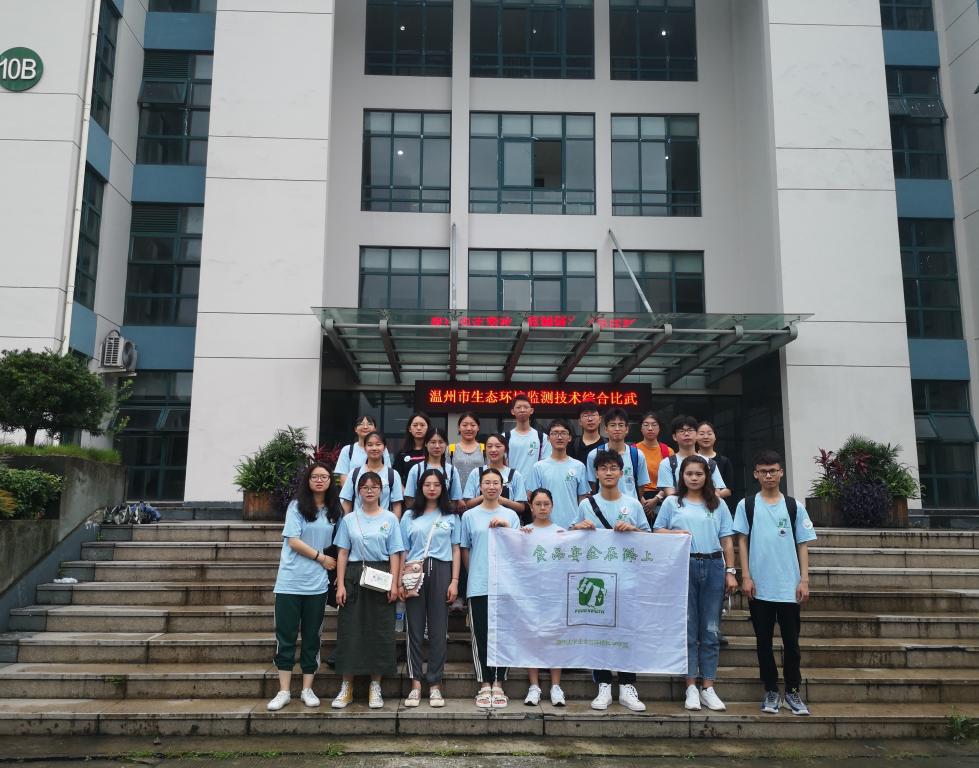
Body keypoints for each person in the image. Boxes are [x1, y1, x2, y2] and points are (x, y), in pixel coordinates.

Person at [569, 450, 675, 712]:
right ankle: (603, 684)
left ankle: (627, 685)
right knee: (599, 632)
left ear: (621, 472)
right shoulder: (586, 505)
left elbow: (648, 541)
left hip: (627, 579)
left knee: (628, 630)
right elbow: (571, 538)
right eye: (603, 468)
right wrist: (577, 528)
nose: (608, 472)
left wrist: (634, 530)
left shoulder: (633, 504)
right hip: (597, 579)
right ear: (596, 473)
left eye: (613, 468)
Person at [734, 450, 816, 717]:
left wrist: (804, 579)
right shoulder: (747, 505)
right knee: (763, 642)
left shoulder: (794, 506)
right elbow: (741, 541)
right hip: (760, 586)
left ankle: (792, 691)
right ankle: (770, 689)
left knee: (792, 643)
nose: (768, 475)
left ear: (781, 473)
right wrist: (746, 576)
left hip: (789, 586)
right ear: (755, 474)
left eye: (773, 471)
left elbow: (803, 544)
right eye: (763, 471)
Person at [654, 456, 738, 712]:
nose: (693, 478)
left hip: (713, 566)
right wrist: (675, 533)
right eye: (689, 473)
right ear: (682, 476)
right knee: (689, 628)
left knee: (711, 629)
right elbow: (657, 530)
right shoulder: (672, 502)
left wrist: (731, 571)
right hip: (683, 566)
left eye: (698, 474)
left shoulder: (718, 504)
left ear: (706, 477)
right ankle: (690, 685)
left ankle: (708, 686)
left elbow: (727, 540)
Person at [267, 462, 339, 711]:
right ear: (308, 480)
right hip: (290, 582)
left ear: (330, 481)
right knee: (285, 637)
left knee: (312, 638)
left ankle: (307, 688)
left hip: (317, 585)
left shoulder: (334, 511)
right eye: (315, 476)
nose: (319, 480)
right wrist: (320, 557)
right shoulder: (296, 506)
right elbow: (294, 541)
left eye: (324, 477)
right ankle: (284, 691)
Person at [331, 471, 405, 709]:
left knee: (380, 630)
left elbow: (395, 552)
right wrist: (340, 583)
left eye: (374, 486)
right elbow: (342, 552)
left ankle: (375, 685)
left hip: (381, 575)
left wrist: (394, 583)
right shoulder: (349, 519)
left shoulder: (390, 518)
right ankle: (347, 686)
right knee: (350, 629)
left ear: (381, 490)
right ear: (358, 491)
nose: (370, 490)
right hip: (354, 575)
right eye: (365, 487)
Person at [399, 469, 461, 708]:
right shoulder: (409, 516)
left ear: (443, 488)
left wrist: (454, 580)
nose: (432, 488)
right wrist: (400, 580)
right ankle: (415, 684)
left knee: (438, 629)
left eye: (437, 484)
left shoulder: (451, 516)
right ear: (420, 487)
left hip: (442, 570)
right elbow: (403, 550)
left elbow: (455, 549)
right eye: (427, 484)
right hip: (414, 572)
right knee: (414, 628)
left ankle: (435, 684)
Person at [460, 468, 522, 708]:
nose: (492, 487)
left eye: (496, 483)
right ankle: (484, 682)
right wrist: (474, 572)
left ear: (502, 486)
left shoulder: (511, 515)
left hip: (505, 584)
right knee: (481, 634)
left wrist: (506, 528)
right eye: (487, 482)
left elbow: (519, 548)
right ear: (480, 486)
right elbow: (465, 549)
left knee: (503, 634)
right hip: (478, 582)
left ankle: (499, 682)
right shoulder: (469, 516)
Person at [520, 487, 566, 707]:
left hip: (554, 593)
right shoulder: (524, 532)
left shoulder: (561, 533)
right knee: (532, 637)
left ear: (552, 506)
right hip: (530, 594)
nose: (542, 508)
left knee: (555, 638)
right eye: (538, 504)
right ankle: (534, 686)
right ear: (531, 507)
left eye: (546, 504)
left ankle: (556, 686)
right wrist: (518, 537)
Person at [528, 418, 591, 529]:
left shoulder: (579, 466)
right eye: (555, 433)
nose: (559, 437)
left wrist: (579, 523)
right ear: (548, 438)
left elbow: (583, 499)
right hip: (546, 527)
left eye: (563, 433)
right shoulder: (538, 467)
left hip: (573, 527)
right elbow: (532, 499)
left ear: (569, 438)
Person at [585, 408, 650, 500]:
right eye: (613, 425)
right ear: (606, 429)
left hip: (629, 507)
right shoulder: (594, 455)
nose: (617, 429)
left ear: (627, 429)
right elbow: (592, 484)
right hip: (603, 506)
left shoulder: (637, 455)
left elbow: (641, 485)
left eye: (621, 425)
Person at [656, 415, 727, 498]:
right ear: (674, 437)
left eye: (690, 430)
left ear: (696, 434)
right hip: (678, 505)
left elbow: (716, 493)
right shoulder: (667, 463)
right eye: (681, 431)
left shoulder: (710, 463)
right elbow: (670, 495)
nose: (686, 434)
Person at [461, 433, 528, 519]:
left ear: (505, 449)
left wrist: (502, 500)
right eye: (489, 446)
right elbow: (467, 504)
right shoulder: (476, 473)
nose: (493, 450)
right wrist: (485, 496)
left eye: (498, 446)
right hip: (479, 520)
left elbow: (521, 507)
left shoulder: (515, 475)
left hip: (506, 522)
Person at [339, 431, 404, 518]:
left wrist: (394, 524)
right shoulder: (354, 474)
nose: (374, 448)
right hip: (357, 523)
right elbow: (347, 502)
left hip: (383, 524)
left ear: (384, 447)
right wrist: (345, 524)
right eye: (370, 445)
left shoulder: (393, 475)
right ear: (365, 448)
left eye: (378, 444)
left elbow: (396, 505)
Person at [403, 426, 464, 509]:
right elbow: (409, 498)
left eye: (441, 442)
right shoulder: (416, 469)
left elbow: (455, 500)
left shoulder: (452, 470)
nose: (437, 446)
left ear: (446, 444)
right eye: (433, 442)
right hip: (420, 515)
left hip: (444, 515)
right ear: (426, 444)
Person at [503, 394, 552, 480]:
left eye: (526, 407)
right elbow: (501, 464)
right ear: (512, 411)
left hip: (535, 486)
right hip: (510, 484)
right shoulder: (504, 437)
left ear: (531, 410)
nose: (522, 410)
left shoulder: (543, 438)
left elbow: (546, 466)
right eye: (518, 407)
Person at [635, 411, 674, 518]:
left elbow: (671, 479)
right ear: (641, 428)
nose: (650, 428)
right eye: (646, 425)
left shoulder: (668, 451)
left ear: (659, 428)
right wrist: (641, 499)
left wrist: (656, 499)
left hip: (662, 496)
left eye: (654, 425)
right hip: (638, 496)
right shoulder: (633, 450)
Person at [336, 415, 392, 487]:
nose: (365, 427)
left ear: (375, 429)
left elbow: (387, 474)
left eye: (369, 424)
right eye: (361, 424)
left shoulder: (381, 449)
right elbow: (343, 478)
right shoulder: (347, 450)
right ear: (355, 429)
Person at [696, 421, 735, 498]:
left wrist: (711, 497)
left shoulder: (724, 461)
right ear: (695, 437)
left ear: (715, 437)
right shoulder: (691, 460)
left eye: (709, 433)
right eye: (701, 434)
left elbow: (729, 489)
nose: (706, 437)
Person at [449, 412, 486, 492]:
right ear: (459, 427)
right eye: (465, 425)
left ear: (478, 427)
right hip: (455, 496)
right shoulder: (450, 449)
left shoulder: (485, 449)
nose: (469, 428)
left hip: (479, 495)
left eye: (473, 425)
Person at [394, 412, 431, 485]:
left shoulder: (432, 451)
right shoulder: (402, 453)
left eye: (422, 425)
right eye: (415, 425)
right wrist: (403, 489)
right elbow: (396, 476)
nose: (419, 428)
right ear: (409, 429)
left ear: (428, 428)